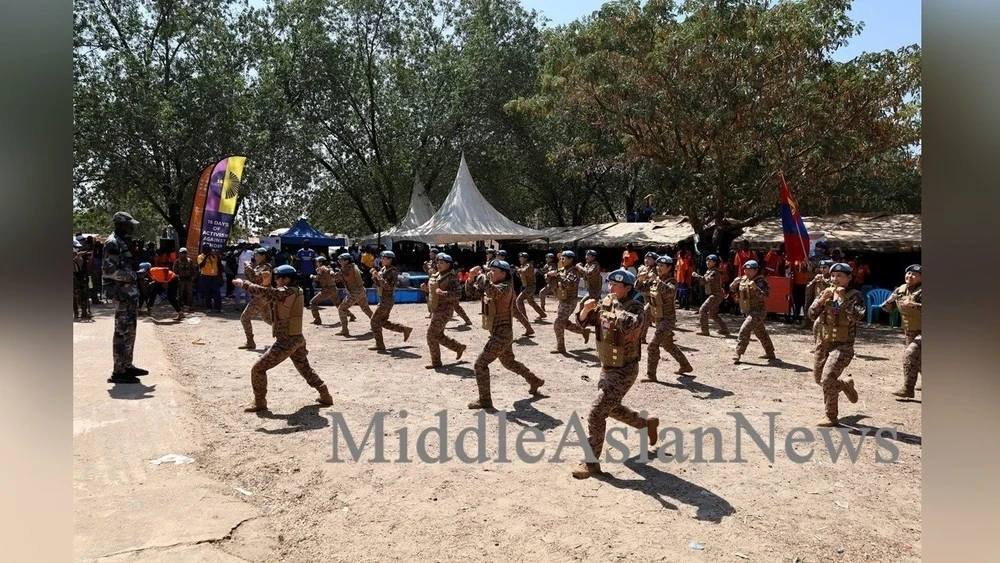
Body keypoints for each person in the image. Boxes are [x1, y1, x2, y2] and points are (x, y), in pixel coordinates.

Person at [571, 269, 660, 479]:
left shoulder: (636, 307)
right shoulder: (606, 303)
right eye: (609, 284)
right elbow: (583, 323)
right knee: (610, 407)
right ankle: (645, 423)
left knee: (597, 412)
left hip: (625, 368)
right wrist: (585, 310)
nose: (610, 288)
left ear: (627, 288)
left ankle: (591, 463)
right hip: (607, 366)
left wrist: (614, 306)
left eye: (616, 286)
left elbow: (629, 325)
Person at [232, 265, 334, 412]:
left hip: (286, 341)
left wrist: (244, 284)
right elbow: (270, 294)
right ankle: (325, 394)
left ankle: (260, 402)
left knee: (258, 369)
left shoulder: (285, 293)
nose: (276, 280)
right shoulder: (296, 290)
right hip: (297, 338)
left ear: (286, 279)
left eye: (278, 278)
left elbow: (266, 293)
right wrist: (264, 283)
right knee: (305, 368)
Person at [464, 260, 545, 409]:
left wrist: (481, 275)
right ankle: (534, 380)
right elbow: (471, 293)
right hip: (498, 332)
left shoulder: (505, 288)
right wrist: (470, 278)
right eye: (490, 270)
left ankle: (485, 400)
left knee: (480, 364)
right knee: (509, 362)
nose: (490, 273)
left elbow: (492, 291)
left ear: (503, 273)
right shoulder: (491, 285)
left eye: (494, 270)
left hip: (502, 334)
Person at [809, 263, 865, 427]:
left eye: (840, 276)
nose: (835, 279)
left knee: (827, 378)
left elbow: (857, 316)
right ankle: (845, 385)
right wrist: (821, 300)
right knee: (820, 379)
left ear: (849, 278)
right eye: (833, 275)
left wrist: (842, 299)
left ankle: (831, 416)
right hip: (823, 343)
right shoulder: (825, 292)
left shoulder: (855, 296)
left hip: (843, 345)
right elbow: (811, 314)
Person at [103, 212, 146, 384]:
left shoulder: (122, 242)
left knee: (130, 330)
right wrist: (134, 275)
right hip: (121, 294)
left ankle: (127, 365)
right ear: (120, 224)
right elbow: (109, 271)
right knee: (121, 332)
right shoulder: (112, 243)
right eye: (129, 224)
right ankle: (118, 371)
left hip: (129, 295)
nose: (131, 228)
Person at [638, 255, 693, 380]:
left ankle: (651, 375)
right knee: (668, 345)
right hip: (658, 318)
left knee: (652, 345)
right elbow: (639, 288)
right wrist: (640, 279)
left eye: (662, 266)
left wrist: (656, 281)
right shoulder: (654, 280)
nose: (659, 268)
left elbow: (670, 291)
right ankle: (685, 365)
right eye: (658, 265)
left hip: (668, 319)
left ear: (669, 268)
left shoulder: (671, 281)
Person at [881, 265, 922, 398]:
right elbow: (886, 309)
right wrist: (889, 301)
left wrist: (915, 305)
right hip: (910, 330)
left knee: (910, 354)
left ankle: (908, 389)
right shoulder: (900, 290)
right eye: (908, 273)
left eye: (914, 274)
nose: (910, 276)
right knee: (918, 359)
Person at [420, 253, 467, 369]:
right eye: (438, 262)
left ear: (448, 264)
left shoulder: (451, 278)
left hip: (445, 310)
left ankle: (436, 362)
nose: (439, 265)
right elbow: (434, 292)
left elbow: (459, 293)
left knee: (431, 335)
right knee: (438, 335)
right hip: (436, 309)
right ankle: (458, 347)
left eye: (442, 263)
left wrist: (444, 293)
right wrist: (426, 289)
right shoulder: (437, 275)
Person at [729, 260, 777, 364]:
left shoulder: (760, 281)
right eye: (745, 270)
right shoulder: (743, 279)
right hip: (748, 311)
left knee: (744, 329)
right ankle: (770, 352)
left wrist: (756, 288)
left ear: (756, 270)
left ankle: (738, 353)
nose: (747, 272)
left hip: (758, 311)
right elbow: (732, 289)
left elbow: (765, 296)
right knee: (760, 332)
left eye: (750, 270)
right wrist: (734, 283)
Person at [547, 250, 591, 354]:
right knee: (564, 323)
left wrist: (557, 276)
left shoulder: (574, 271)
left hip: (570, 301)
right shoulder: (562, 270)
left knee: (558, 323)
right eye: (561, 258)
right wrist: (549, 277)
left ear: (571, 260)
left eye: (564, 258)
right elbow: (553, 285)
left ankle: (560, 347)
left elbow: (570, 284)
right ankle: (583, 331)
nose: (561, 260)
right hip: (562, 300)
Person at [369, 251, 413, 352]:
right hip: (383, 298)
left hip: (387, 299)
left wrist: (378, 277)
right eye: (382, 258)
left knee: (374, 321)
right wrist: (375, 277)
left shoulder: (393, 271)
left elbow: (388, 286)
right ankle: (404, 329)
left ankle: (380, 345)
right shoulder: (384, 269)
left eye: (384, 258)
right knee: (383, 322)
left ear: (390, 260)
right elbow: (379, 284)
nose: (382, 260)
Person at [238, 248, 274, 349]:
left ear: (263, 256)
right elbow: (249, 279)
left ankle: (250, 342)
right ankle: (286, 333)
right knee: (267, 319)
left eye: (257, 255)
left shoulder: (266, 267)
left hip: (262, 296)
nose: (255, 258)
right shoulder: (259, 267)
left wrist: (248, 267)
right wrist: (247, 269)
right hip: (261, 295)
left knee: (245, 318)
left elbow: (256, 279)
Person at [332, 253, 374, 336]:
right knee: (366, 309)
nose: (339, 261)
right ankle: (377, 325)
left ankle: (344, 330)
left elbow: (336, 277)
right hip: (360, 290)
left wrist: (328, 271)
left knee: (341, 309)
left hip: (356, 292)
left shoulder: (348, 268)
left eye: (341, 260)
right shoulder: (351, 266)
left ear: (347, 261)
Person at [692, 254, 730, 336]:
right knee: (713, 314)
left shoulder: (714, 272)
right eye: (707, 261)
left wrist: (697, 276)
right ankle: (724, 329)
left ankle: (705, 330)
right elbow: (703, 283)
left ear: (714, 263)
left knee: (702, 310)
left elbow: (707, 280)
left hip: (715, 295)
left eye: (710, 261)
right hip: (713, 295)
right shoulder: (709, 271)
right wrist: (699, 278)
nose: (707, 262)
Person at [499, 250, 535, 337]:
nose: (519, 259)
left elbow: (522, 272)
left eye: (499, 256)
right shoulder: (502, 266)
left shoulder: (506, 267)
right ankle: (529, 328)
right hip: (511, 291)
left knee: (516, 310)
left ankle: (528, 328)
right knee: (514, 312)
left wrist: (516, 269)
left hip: (509, 292)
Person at [309, 256, 353, 325]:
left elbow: (319, 277)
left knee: (313, 302)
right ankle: (351, 315)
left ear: (320, 262)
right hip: (334, 288)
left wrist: (312, 276)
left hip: (327, 290)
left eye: (317, 262)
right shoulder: (329, 268)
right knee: (339, 305)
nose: (316, 263)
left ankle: (317, 320)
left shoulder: (321, 268)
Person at [634, 251, 658, 344]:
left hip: (654, 298)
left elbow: (651, 285)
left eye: (649, 259)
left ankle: (641, 337)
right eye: (646, 258)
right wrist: (640, 278)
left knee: (645, 315)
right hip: (646, 298)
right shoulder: (643, 270)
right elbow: (637, 287)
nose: (646, 260)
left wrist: (645, 277)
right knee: (650, 318)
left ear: (654, 261)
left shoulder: (656, 271)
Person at [515, 252, 546, 321]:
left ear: (525, 259)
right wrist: (517, 271)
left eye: (521, 258)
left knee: (519, 300)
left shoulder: (528, 265)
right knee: (531, 302)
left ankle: (524, 317)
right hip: (528, 287)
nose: (519, 259)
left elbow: (524, 271)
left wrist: (517, 269)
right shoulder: (523, 265)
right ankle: (542, 314)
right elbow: (521, 276)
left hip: (530, 287)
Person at [803, 260, 833, 329]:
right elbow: (808, 288)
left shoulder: (833, 278)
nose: (822, 269)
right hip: (816, 299)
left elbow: (832, 288)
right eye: (821, 267)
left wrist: (823, 281)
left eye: (824, 267)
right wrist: (813, 281)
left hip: (827, 301)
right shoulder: (818, 276)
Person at [197, 244, 223, 313]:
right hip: (205, 276)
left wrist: (217, 256)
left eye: (208, 249)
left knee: (217, 292)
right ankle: (208, 308)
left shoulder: (214, 256)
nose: (207, 250)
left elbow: (219, 264)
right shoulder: (200, 256)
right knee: (207, 292)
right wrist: (206, 256)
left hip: (214, 276)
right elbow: (201, 265)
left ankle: (219, 307)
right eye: (206, 249)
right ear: (203, 249)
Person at [73, 242, 93, 320]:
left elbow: (87, 268)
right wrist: (77, 257)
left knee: (84, 295)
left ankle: (84, 312)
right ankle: (76, 312)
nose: (78, 249)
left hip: (82, 278)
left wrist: (88, 259)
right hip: (74, 280)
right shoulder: (75, 256)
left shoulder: (81, 257)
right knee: (74, 297)